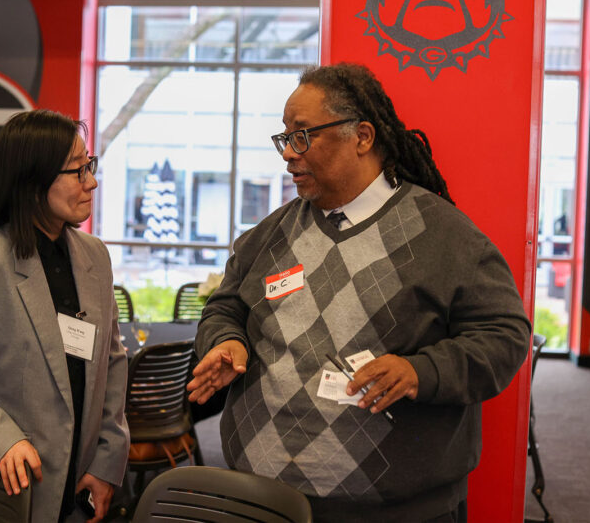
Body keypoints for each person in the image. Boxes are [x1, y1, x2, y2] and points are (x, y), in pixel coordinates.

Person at [187, 63, 530, 522]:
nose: (288, 153)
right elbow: (225, 307)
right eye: (285, 137)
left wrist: (419, 370)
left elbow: (505, 336)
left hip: (394, 509)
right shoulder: (269, 235)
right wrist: (225, 340)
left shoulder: (446, 237)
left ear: (362, 137)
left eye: (303, 135)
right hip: (264, 500)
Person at [0, 110, 129, 523]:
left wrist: (107, 462)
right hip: (1, 484)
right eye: (78, 171)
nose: (92, 181)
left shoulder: (94, 256)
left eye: (90, 165)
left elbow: (112, 362)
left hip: (78, 485)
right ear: (32, 183)